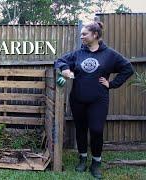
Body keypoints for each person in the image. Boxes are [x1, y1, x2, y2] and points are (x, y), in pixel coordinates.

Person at [54, 21, 134, 179]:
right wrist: (65, 69)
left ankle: (96, 162)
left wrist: (112, 84)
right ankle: (82, 158)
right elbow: (60, 60)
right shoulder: (78, 54)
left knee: (96, 130)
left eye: (84, 34)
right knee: (81, 130)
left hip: (98, 100)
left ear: (95, 35)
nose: (81, 36)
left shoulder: (110, 55)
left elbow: (128, 68)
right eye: (81, 34)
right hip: (77, 99)